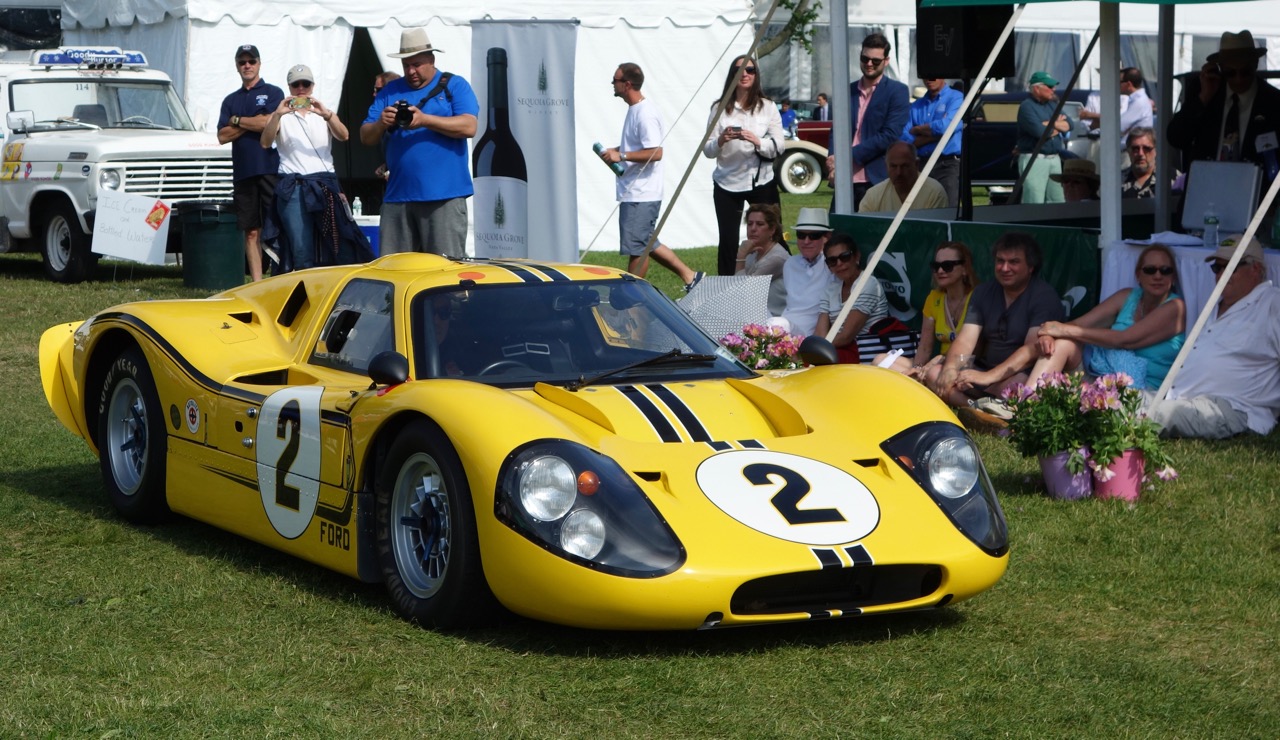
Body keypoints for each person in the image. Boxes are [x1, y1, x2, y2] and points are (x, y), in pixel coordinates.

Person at [961, 244, 1186, 392]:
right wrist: (1050, 334)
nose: (1158, 275)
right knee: (1060, 345)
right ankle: (1026, 406)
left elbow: (1125, 339)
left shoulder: (1175, 307)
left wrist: (1063, 330)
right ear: (1138, 274)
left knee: (1062, 341)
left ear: (1173, 276)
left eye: (1165, 270)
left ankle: (996, 392)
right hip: (1102, 375)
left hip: (1141, 389)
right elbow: (1077, 325)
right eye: (1150, 270)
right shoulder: (1127, 297)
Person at [1146, 235, 1280, 439]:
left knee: (1151, 416)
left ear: (1256, 270)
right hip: (1182, 399)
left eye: (1230, 267)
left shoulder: (1272, 303)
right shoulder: (1216, 305)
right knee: (1122, 399)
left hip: (1233, 408)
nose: (1221, 275)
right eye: (1217, 268)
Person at [360, 28, 478, 258]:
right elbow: (366, 136)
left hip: (444, 197)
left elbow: (469, 126)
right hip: (398, 198)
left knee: (446, 275)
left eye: (418, 64)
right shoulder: (390, 90)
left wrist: (424, 120)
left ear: (432, 60)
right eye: (406, 65)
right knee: (395, 272)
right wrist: (380, 124)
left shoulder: (454, 85)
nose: (411, 71)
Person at [928, 232, 1064, 407]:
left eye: (1013, 262)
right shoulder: (983, 292)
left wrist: (988, 377)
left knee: (1015, 388)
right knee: (935, 373)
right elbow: (965, 339)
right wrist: (950, 369)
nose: (1005, 268)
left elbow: (1031, 351)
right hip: (983, 370)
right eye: (1000, 261)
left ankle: (976, 407)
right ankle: (979, 410)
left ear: (1031, 267)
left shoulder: (1044, 296)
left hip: (1018, 374)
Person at [599, 63, 704, 288]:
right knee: (646, 242)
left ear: (627, 84)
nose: (612, 84)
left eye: (615, 80)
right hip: (635, 190)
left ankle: (631, 292)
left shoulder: (645, 113)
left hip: (642, 192)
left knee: (638, 246)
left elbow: (656, 152)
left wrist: (622, 155)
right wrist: (616, 151)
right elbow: (638, 146)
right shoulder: (635, 110)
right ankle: (691, 276)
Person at [260, 64, 370, 272]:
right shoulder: (281, 116)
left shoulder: (324, 113)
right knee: (301, 248)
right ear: (290, 87)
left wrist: (326, 114)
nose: (301, 89)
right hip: (295, 186)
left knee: (338, 242)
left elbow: (344, 135)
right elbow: (265, 143)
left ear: (312, 86)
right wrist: (277, 114)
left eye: (306, 84)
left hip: (324, 183)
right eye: (296, 85)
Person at [703, 55, 785, 276]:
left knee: (774, 235)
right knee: (728, 241)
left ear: (756, 75)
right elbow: (707, 150)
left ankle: (780, 284)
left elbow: (779, 146)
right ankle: (727, 289)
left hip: (761, 180)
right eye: (739, 71)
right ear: (732, 76)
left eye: (750, 70)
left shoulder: (767, 107)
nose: (745, 75)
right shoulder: (719, 108)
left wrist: (757, 141)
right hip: (727, 182)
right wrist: (721, 140)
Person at [217, 44, 284, 282]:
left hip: (270, 168)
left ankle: (279, 277)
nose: (247, 66)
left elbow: (270, 123)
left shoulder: (274, 92)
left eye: (251, 61)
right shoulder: (230, 100)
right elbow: (222, 136)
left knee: (276, 226)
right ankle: (257, 283)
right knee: (251, 230)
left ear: (259, 63)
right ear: (237, 66)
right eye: (242, 62)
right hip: (243, 172)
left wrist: (237, 122)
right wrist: (251, 121)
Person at [1167, 30, 1280, 167]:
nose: (1238, 79)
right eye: (1230, 73)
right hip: (1207, 183)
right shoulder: (1205, 92)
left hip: (1255, 185)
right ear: (1221, 68)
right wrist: (1203, 98)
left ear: (1255, 64)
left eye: (1245, 72)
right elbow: (1175, 138)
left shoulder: (1273, 101)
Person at [825, 34, 910, 211]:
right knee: (838, 233)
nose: (869, 64)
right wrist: (833, 160)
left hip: (876, 178)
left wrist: (847, 156)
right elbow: (836, 130)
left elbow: (890, 135)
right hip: (845, 180)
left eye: (875, 61)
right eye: (865, 58)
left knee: (875, 235)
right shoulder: (846, 90)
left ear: (886, 61)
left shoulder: (897, 91)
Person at [881, 241, 977, 377]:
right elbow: (925, 347)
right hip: (937, 365)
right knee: (881, 360)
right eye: (935, 266)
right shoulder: (933, 298)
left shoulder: (977, 297)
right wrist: (917, 369)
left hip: (966, 366)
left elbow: (978, 349)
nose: (940, 271)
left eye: (947, 266)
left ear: (965, 269)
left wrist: (940, 360)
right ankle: (917, 381)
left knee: (934, 372)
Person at [813, 232, 889, 362]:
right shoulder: (830, 288)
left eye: (845, 257)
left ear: (857, 256)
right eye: (832, 261)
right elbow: (820, 333)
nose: (839, 264)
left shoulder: (868, 284)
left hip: (867, 355)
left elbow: (846, 336)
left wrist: (816, 350)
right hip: (838, 351)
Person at [903, 77, 965, 206]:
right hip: (921, 165)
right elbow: (905, 139)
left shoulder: (957, 97)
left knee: (948, 211)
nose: (928, 80)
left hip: (947, 165)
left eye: (933, 76)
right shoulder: (915, 105)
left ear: (942, 75)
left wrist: (918, 129)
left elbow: (946, 126)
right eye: (925, 76)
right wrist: (937, 134)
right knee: (922, 211)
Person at [1016, 71, 1072, 204]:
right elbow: (1040, 132)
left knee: (1058, 200)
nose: (1054, 89)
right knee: (1034, 200)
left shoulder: (1052, 105)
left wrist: (1049, 124)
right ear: (1036, 88)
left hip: (1054, 159)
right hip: (1035, 159)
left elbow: (1070, 124)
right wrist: (1057, 126)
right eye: (1049, 86)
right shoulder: (1026, 107)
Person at [780, 207, 836, 336]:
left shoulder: (831, 264)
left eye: (813, 236)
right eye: (801, 235)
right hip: (785, 324)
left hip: (810, 332)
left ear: (826, 237)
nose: (806, 241)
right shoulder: (790, 263)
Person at [857, 142, 949, 213]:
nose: (899, 173)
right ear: (886, 166)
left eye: (904, 166)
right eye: (893, 166)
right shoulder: (873, 196)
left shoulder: (934, 193)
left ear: (916, 164)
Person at [734, 203, 790, 316]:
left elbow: (742, 292)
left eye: (760, 224)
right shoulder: (753, 251)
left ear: (772, 229)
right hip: (755, 313)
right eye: (750, 224)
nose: (753, 229)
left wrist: (740, 257)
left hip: (775, 319)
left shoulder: (776, 258)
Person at [1118, 67, 1155, 144]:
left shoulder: (1139, 102)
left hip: (1131, 151)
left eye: (1119, 82)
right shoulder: (1138, 99)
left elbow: (1119, 126)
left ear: (1129, 84)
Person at [1121, 127, 1159, 199]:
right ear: (1128, 151)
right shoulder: (1116, 182)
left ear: (1156, 151)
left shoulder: (1171, 179)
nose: (1140, 153)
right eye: (1135, 149)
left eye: (1146, 148)